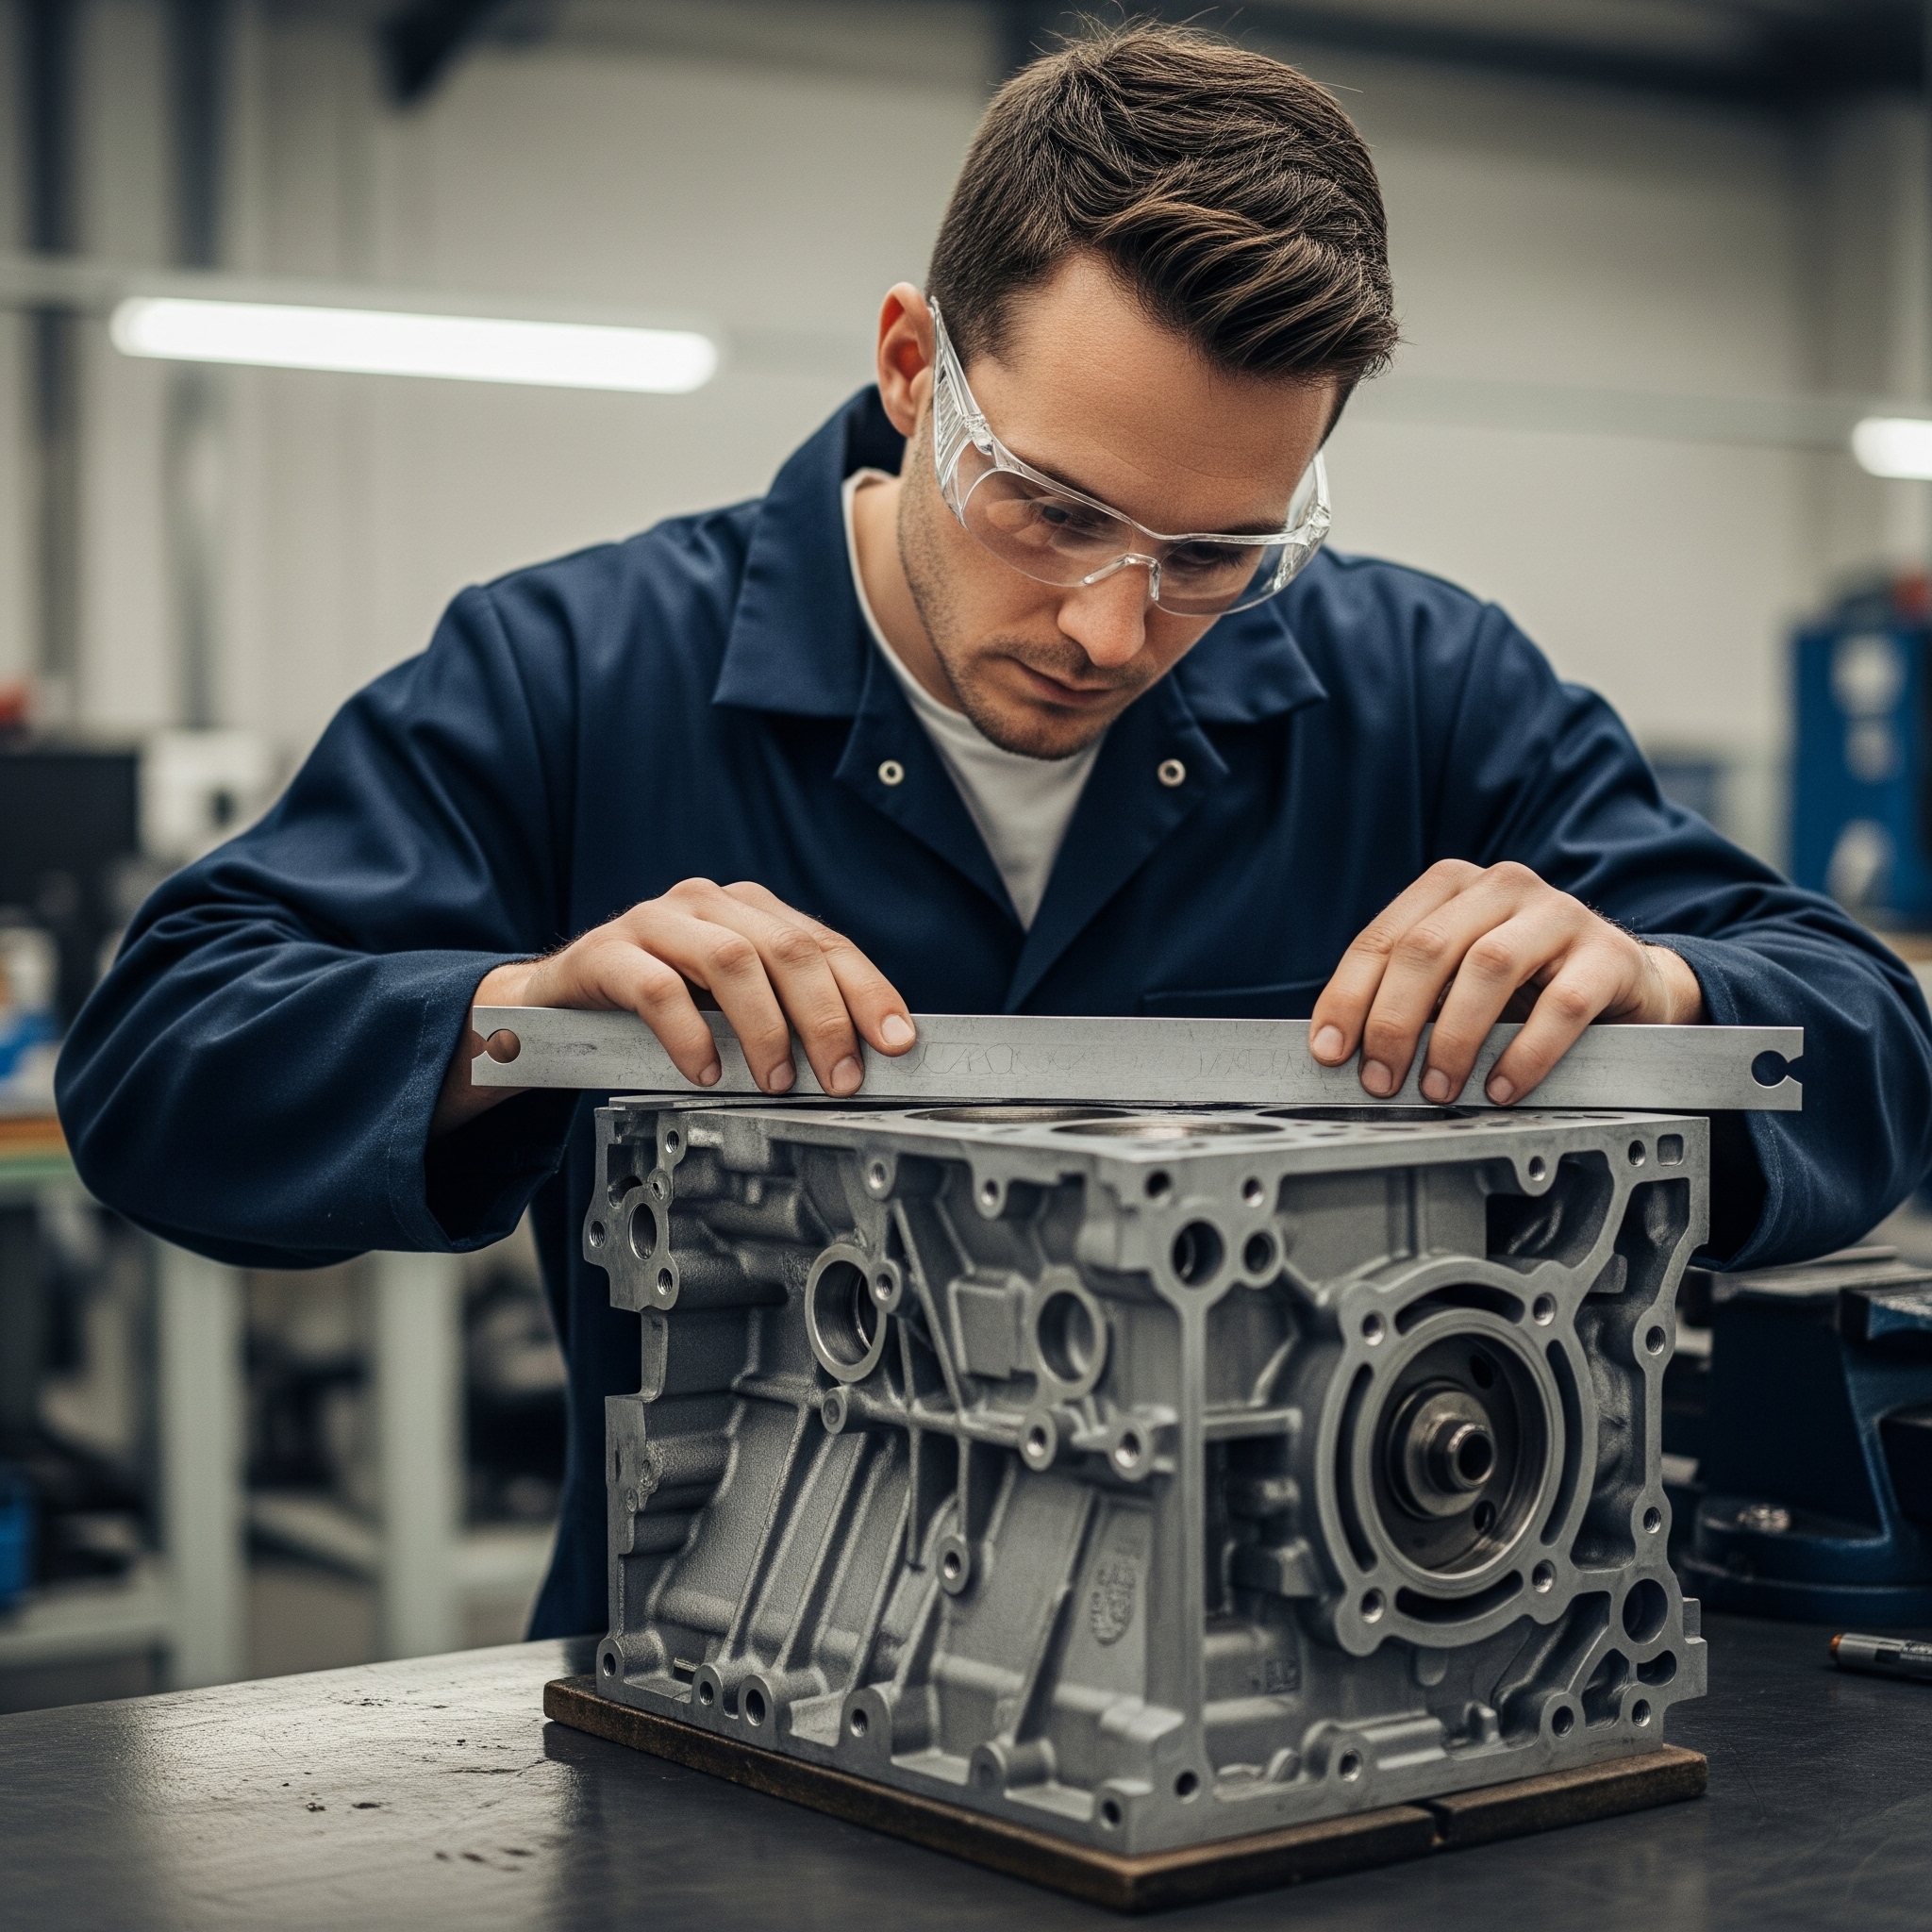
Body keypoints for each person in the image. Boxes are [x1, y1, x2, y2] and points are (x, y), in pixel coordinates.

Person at [57, 25, 1932, 1640]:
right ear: (906, 363)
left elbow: (1860, 1041)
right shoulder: (572, 668)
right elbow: (158, 1066)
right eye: (1047, 506)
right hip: (711, 1700)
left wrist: (1657, 984)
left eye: (1217, 554)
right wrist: (515, 1015)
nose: (1112, 627)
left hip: (1320, 1693)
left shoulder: (1419, 685)